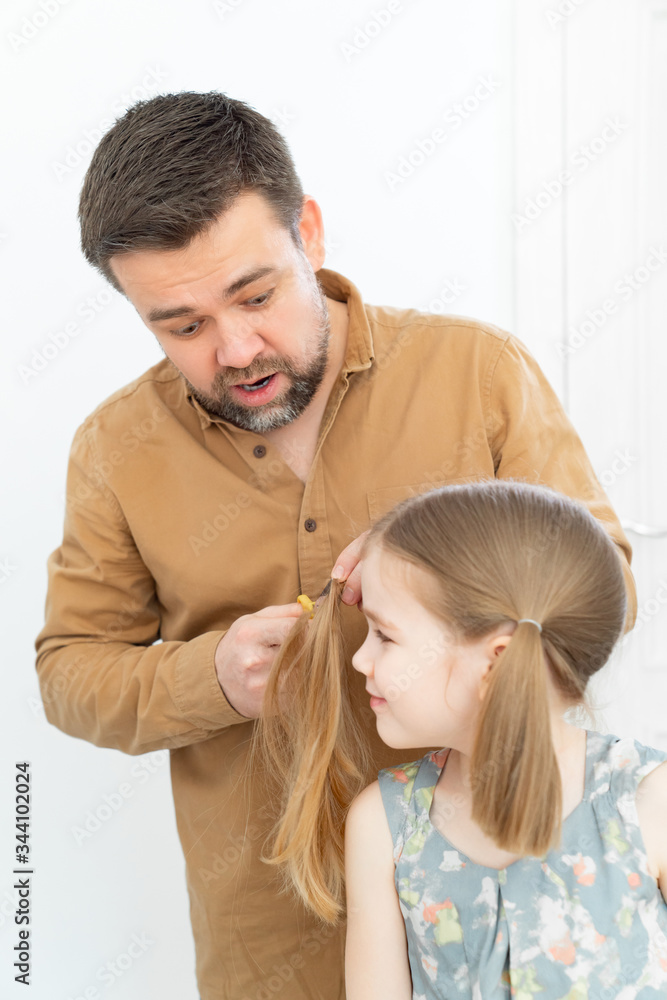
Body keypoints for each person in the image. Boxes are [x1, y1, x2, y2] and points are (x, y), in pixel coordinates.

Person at [34, 90, 639, 1000]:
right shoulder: (114, 451)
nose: (235, 348)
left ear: (308, 234)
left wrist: (437, 559)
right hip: (267, 934)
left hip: (517, 907)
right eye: (181, 326)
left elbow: (603, 591)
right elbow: (70, 674)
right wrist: (213, 678)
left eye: (256, 294)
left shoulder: (475, 373)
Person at [249, 479, 667, 999]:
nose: (359, 659)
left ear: (494, 659)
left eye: (384, 635)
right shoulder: (385, 823)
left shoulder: (650, 803)